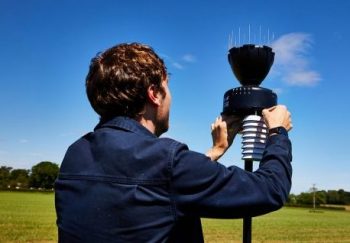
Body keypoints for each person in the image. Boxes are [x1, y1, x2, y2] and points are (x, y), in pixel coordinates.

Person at [55, 43, 293, 243]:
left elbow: (150, 183)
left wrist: (215, 151)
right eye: (167, 89)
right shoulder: (168, 160)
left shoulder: (75, 155)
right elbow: (270, 190)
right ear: (154, 94)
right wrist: (278, 132)